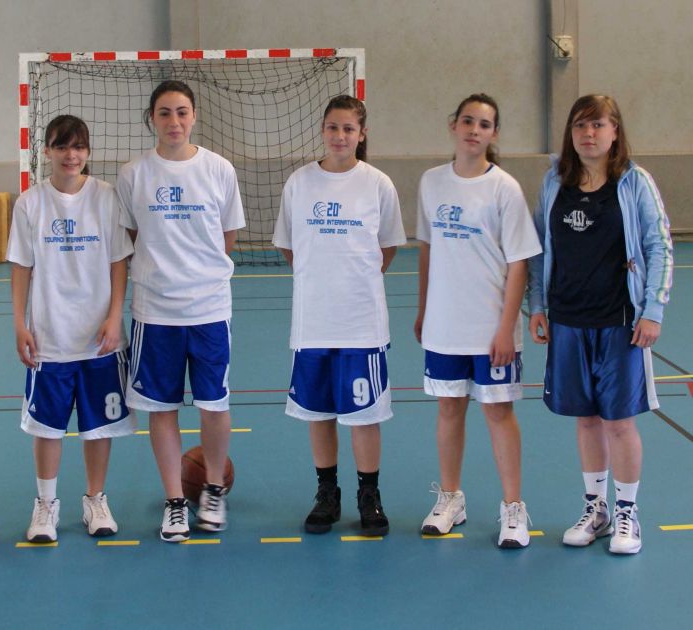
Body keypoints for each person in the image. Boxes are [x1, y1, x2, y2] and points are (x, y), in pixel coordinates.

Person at [528, 94, 673, 555]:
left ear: (614, 132)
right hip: (568, 320)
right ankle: (597, 509)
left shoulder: (634, 182)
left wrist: (652, 310)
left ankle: (628, 512)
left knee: (619, 422)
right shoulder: (555, 181)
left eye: (597, 125)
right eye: (579, 125)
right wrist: (537, 305)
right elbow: (539, 248)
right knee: (587, 420)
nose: (588, 133)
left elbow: (659, 246)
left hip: (620, 322)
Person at [116, 80, 246, 542]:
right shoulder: (133, 174)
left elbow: (227, 236)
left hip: (209, 308)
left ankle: (212, 489)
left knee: (214, 404)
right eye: (165, 112)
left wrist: (197, 272)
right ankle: (175, 502)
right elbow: (132, 236)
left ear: (194, 116)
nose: (174, 121)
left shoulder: (219, 169)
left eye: (182, 112)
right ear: (152, 118)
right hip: (155, 311)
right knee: (162, 408)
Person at [272, 95, 405, 536]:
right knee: (318, 411)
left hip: (361, 322)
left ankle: (369, 495)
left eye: (349, 128)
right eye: (333, 127)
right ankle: (327, 493)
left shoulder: (378, 184)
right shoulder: (299, 183)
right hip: (312, 322)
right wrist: (320, 281)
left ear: (362, 134)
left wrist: (354, 282)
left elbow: (387, 248)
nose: (340, 136)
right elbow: (289, 247)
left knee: (364, 415)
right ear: (323, 130)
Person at [414, 94, 542, 548]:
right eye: (467, 121)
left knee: (497, 411)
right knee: (449, 408)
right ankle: (451, 498)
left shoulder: (504, 188)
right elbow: (427, 249)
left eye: (484, 124)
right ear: (453, 125)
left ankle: (513, 507)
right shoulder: (431, 182)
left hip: (491, 327)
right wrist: (423, 309)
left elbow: (520, 263)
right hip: (445, 325)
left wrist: (506, 328)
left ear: (494, 133)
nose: (474, 130)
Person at [9, 114, 134, 543]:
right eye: (62, 146)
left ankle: (95, 499)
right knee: (47, 426)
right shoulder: (30, 203)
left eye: (78, 146)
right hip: (50, 335)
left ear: (88, 151)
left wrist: (115, 316)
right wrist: (19, 323)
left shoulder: (106, 197)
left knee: (98, 425)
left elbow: (119, 261)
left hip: (99, 337)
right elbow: (21, 267)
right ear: (47, 151)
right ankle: (46, 504)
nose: (71, 155)